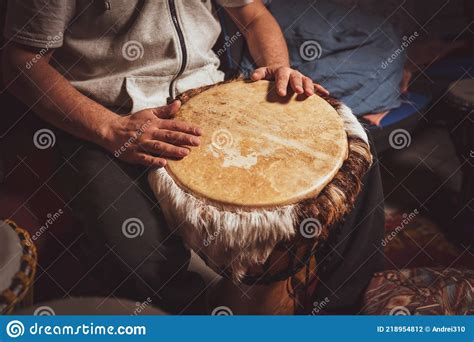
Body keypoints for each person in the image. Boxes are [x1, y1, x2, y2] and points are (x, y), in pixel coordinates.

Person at [2, 0, 383, 314]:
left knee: (355, 157)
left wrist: (277, 67)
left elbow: (251, 14)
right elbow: (20, 61)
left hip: (210, 98)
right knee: (141, 260)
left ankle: (336, 314)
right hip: (105, 117)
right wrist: (110, 129)